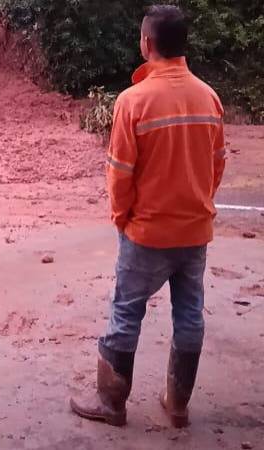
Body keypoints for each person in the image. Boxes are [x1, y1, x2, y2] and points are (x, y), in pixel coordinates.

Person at [70, 5, 226, 428]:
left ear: (146, 43)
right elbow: (217, 164)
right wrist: (197, 205)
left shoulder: (133, 101)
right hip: (195, 230)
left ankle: (112, 404)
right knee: (190, 313)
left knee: (125, 313)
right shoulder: (208, 97)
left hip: (146, 233)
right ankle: (178, 405)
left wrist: (122, 219)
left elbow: (120, 173)